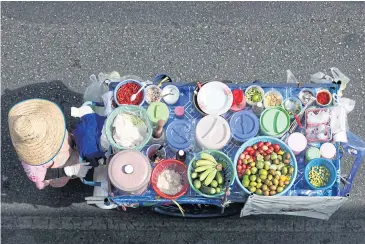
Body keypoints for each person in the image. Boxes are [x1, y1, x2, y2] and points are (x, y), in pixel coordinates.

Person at [8, 99, 92, 190]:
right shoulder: (34, 165)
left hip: (68, 146)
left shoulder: (43, 121)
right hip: (61, 165)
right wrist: (69, 171)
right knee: (55, 180)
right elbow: (40, 178)